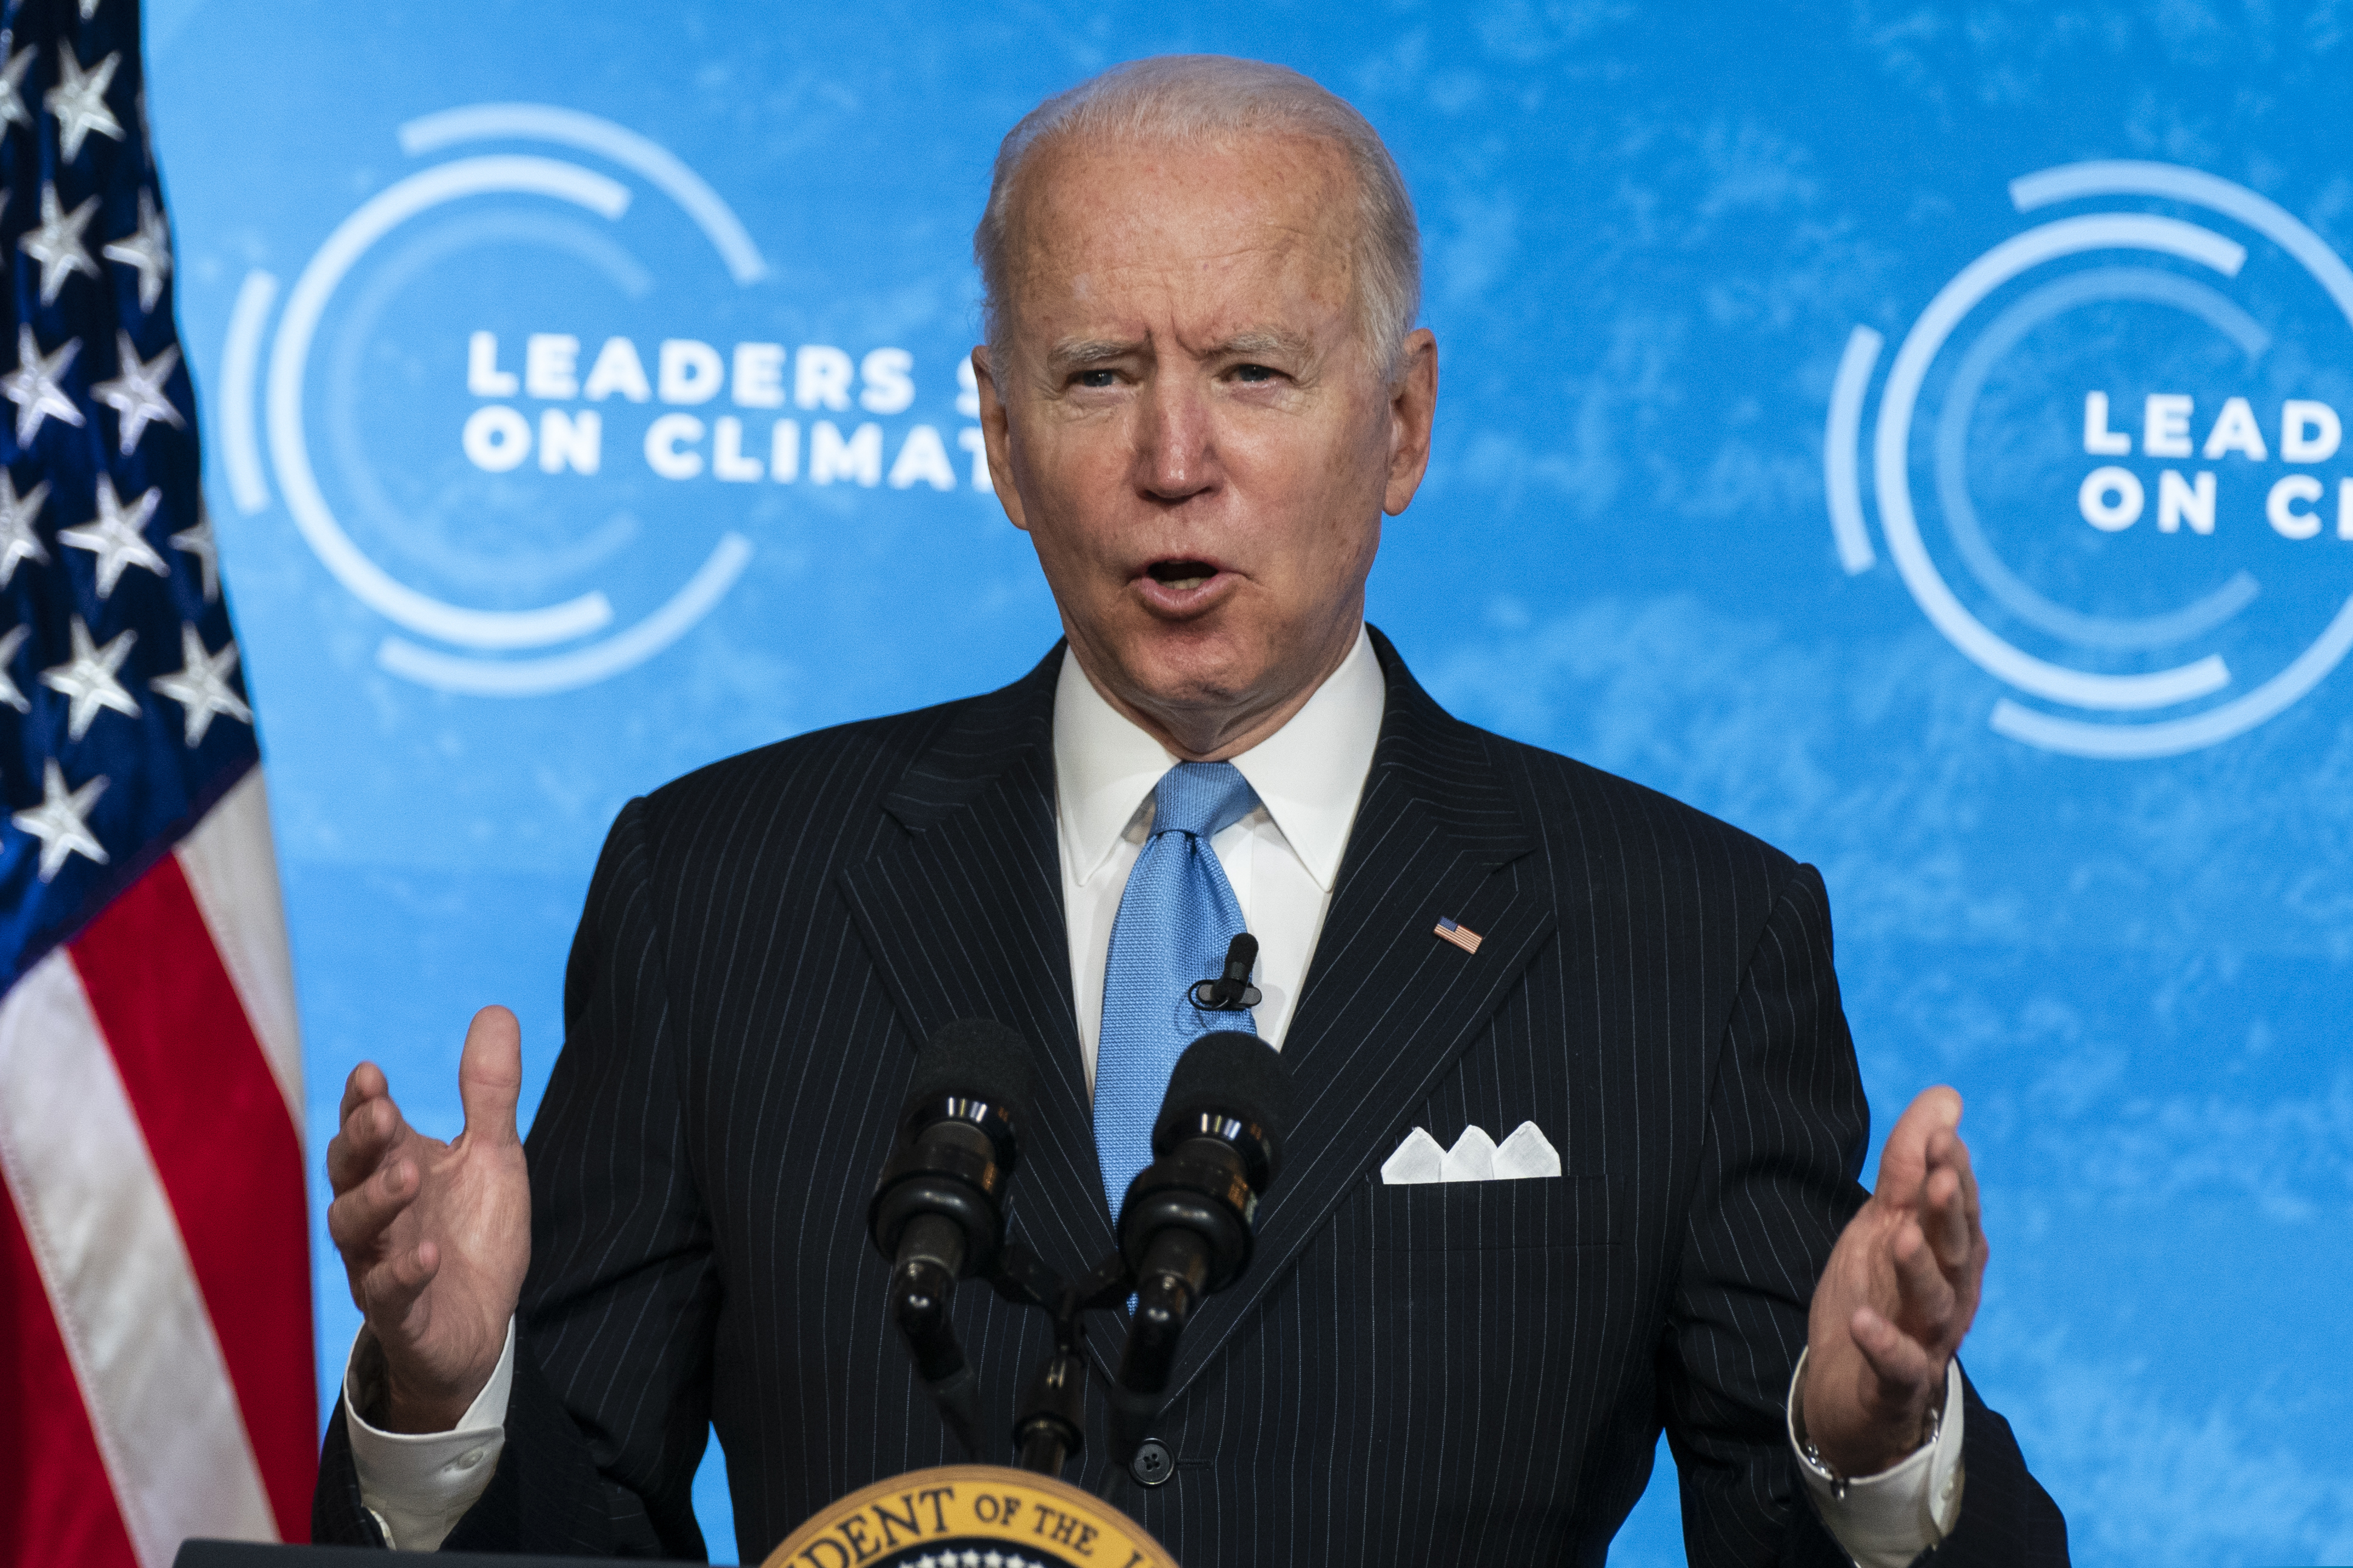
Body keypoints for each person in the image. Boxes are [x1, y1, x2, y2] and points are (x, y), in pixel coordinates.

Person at [315, 55, 2067, 1566]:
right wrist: (444, 1395)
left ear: (1400, 425)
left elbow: (1802, 1516)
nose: (1174, 458)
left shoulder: (1678, 935)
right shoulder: (725, 889)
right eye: (1096, 376)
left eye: (1252, 371)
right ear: (998, 437)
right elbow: (571, 1533)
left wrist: (1873, 1453)